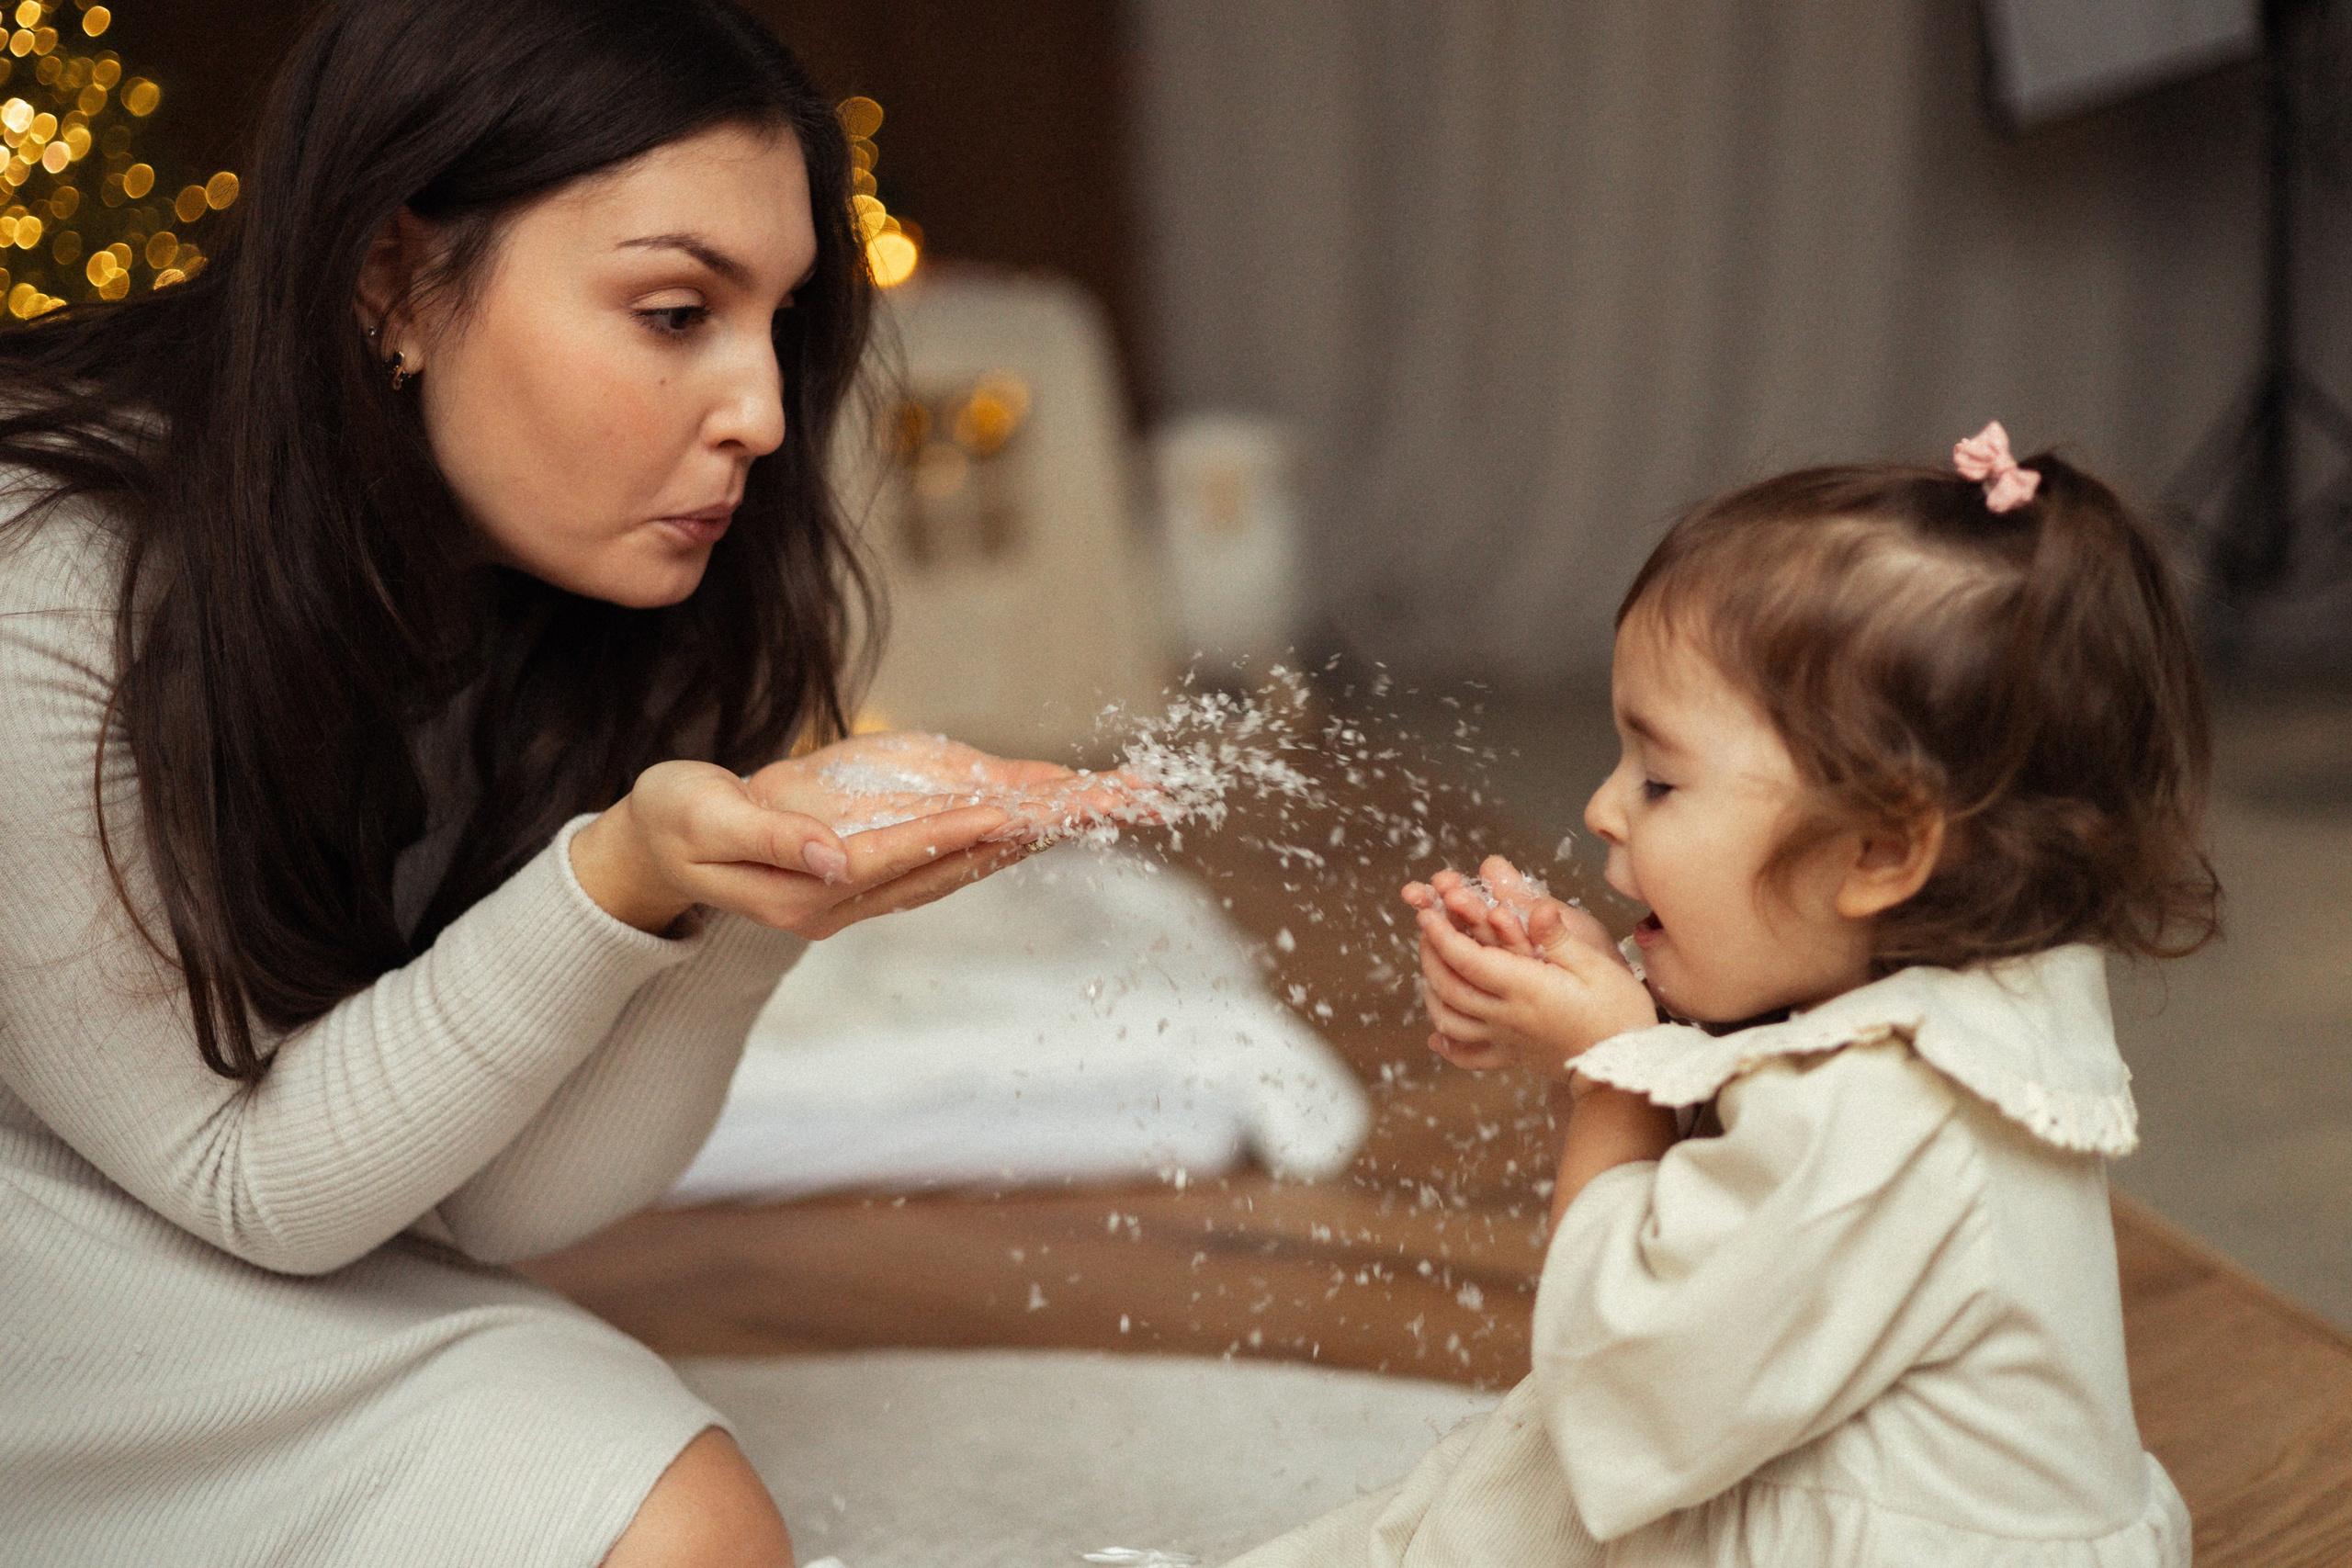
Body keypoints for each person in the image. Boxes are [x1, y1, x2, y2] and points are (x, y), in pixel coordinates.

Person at [0, 2, 1136, 1564]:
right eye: (677, 312)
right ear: (393, 278)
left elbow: (486, 1204)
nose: (761, 411)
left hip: (217, 1210)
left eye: (777, 322)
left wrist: (735, 907)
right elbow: (253, 1183)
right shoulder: (42, 578)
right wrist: (611, 873)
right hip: (65, 1231)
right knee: (661, 1515)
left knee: (662, 1510)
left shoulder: (556, 590)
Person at [1234, 423, 2216, 1567]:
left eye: (1657, 777)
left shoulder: (1883, 1117)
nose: (1604, 809)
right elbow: (1740, 1147)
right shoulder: (1957, 1007)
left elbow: (1624, 1382)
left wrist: (1616, 1072)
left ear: (1878, 856)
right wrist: (1606, 1022)